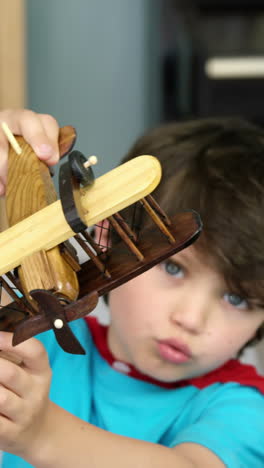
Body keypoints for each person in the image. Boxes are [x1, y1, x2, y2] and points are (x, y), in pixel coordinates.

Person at [0, 109, 264, 468]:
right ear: (108, 234)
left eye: (237, 298)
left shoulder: (243, 409)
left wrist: (42, 434)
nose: (190, 319)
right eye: (173, 267)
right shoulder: (38, 335)